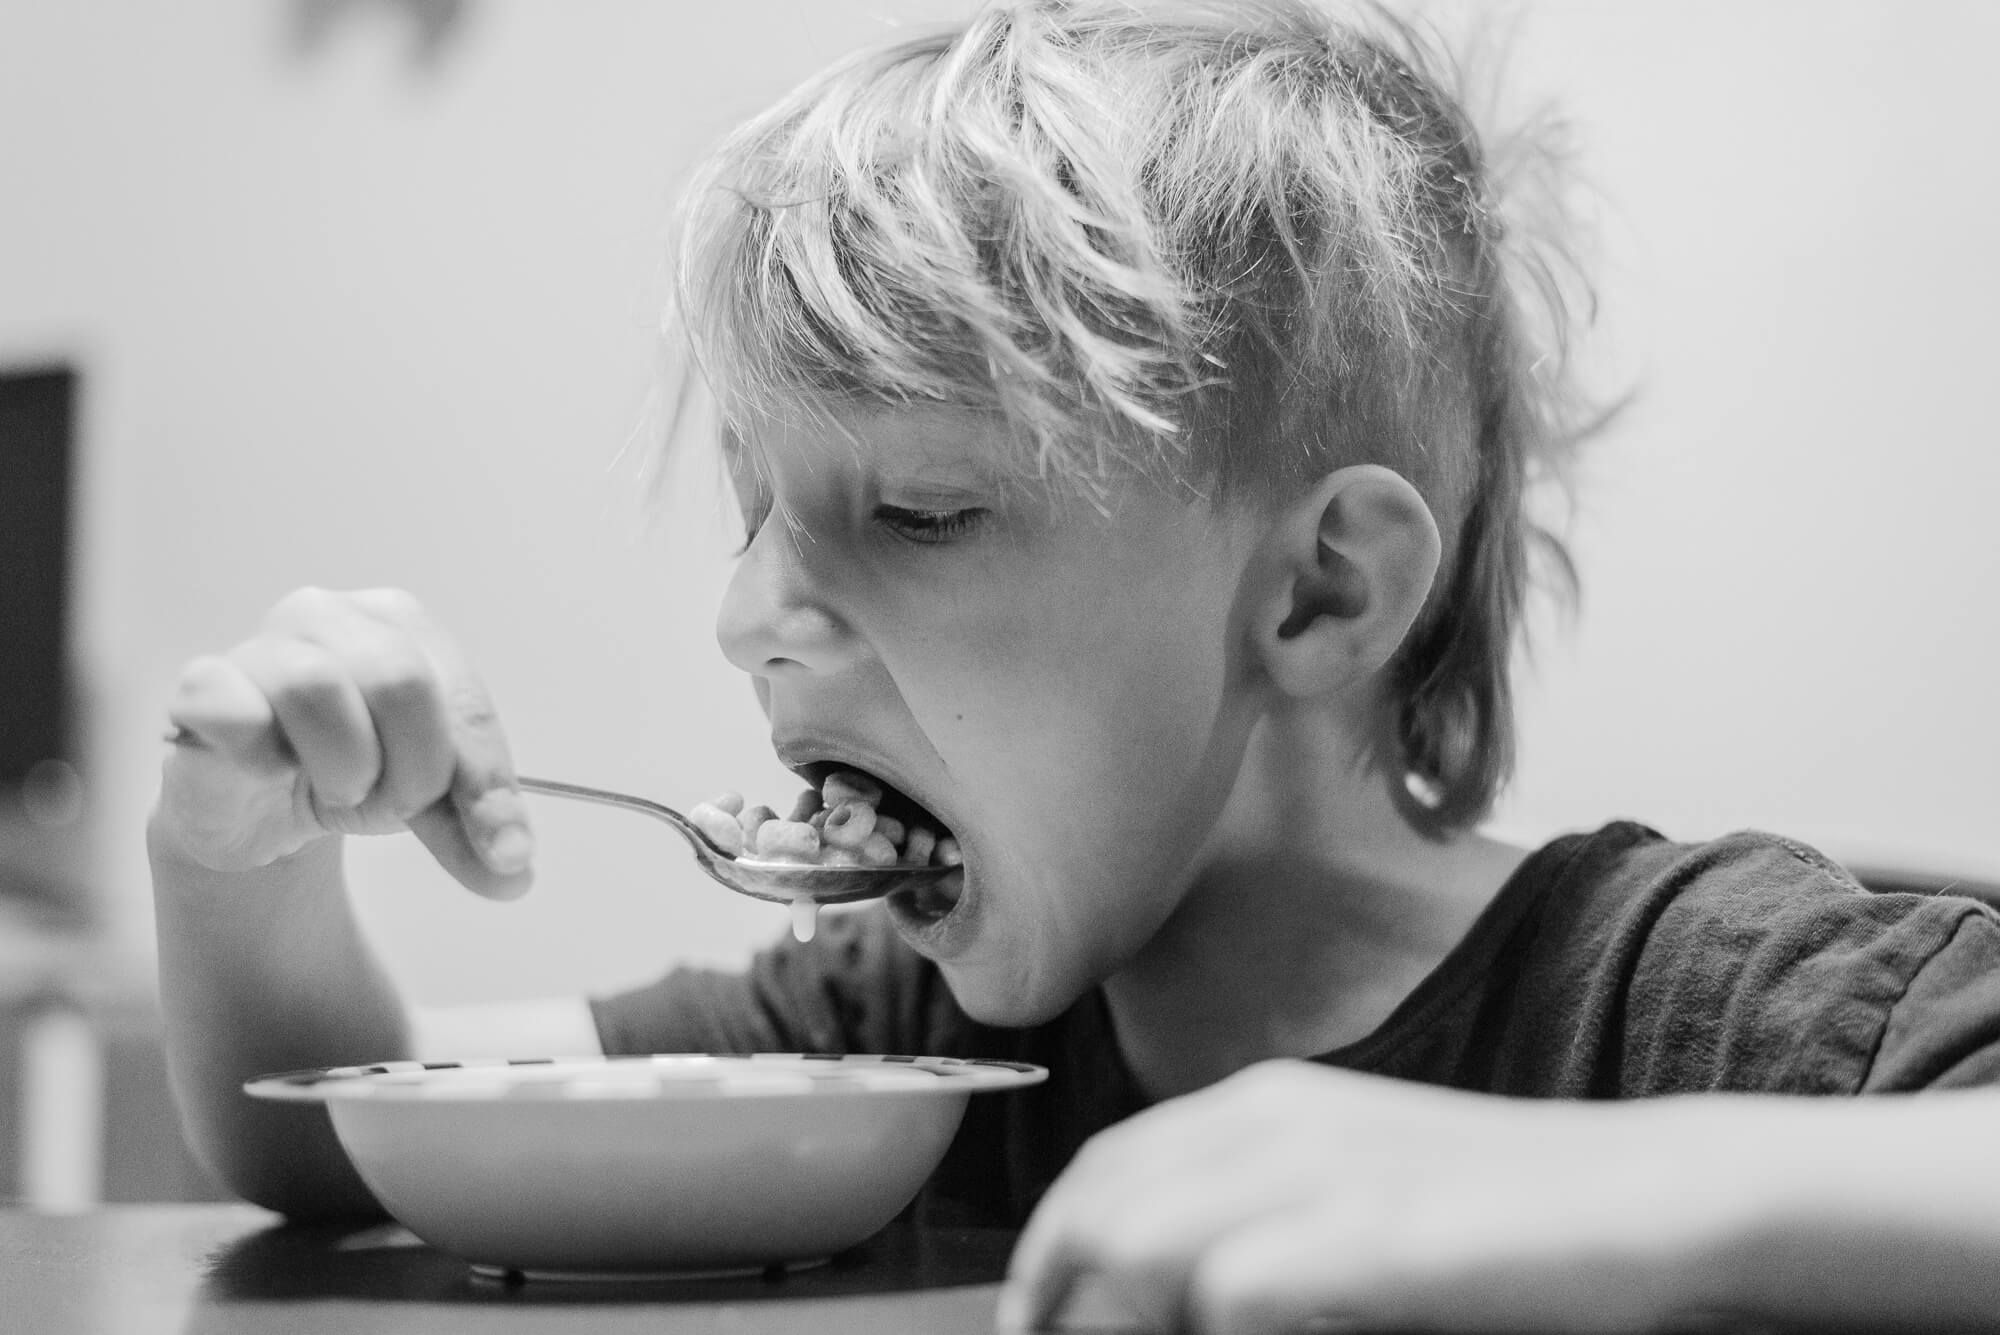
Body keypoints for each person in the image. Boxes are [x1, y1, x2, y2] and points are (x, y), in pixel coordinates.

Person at [150, 2, 2000, 1330]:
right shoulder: (907, 1044)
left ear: (1319, 596)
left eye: (925, 515)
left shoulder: (1678, 999)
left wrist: (1611, 1191)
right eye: (755, 516)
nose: (747, 623)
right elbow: (336, 1134)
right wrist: (241, 876)